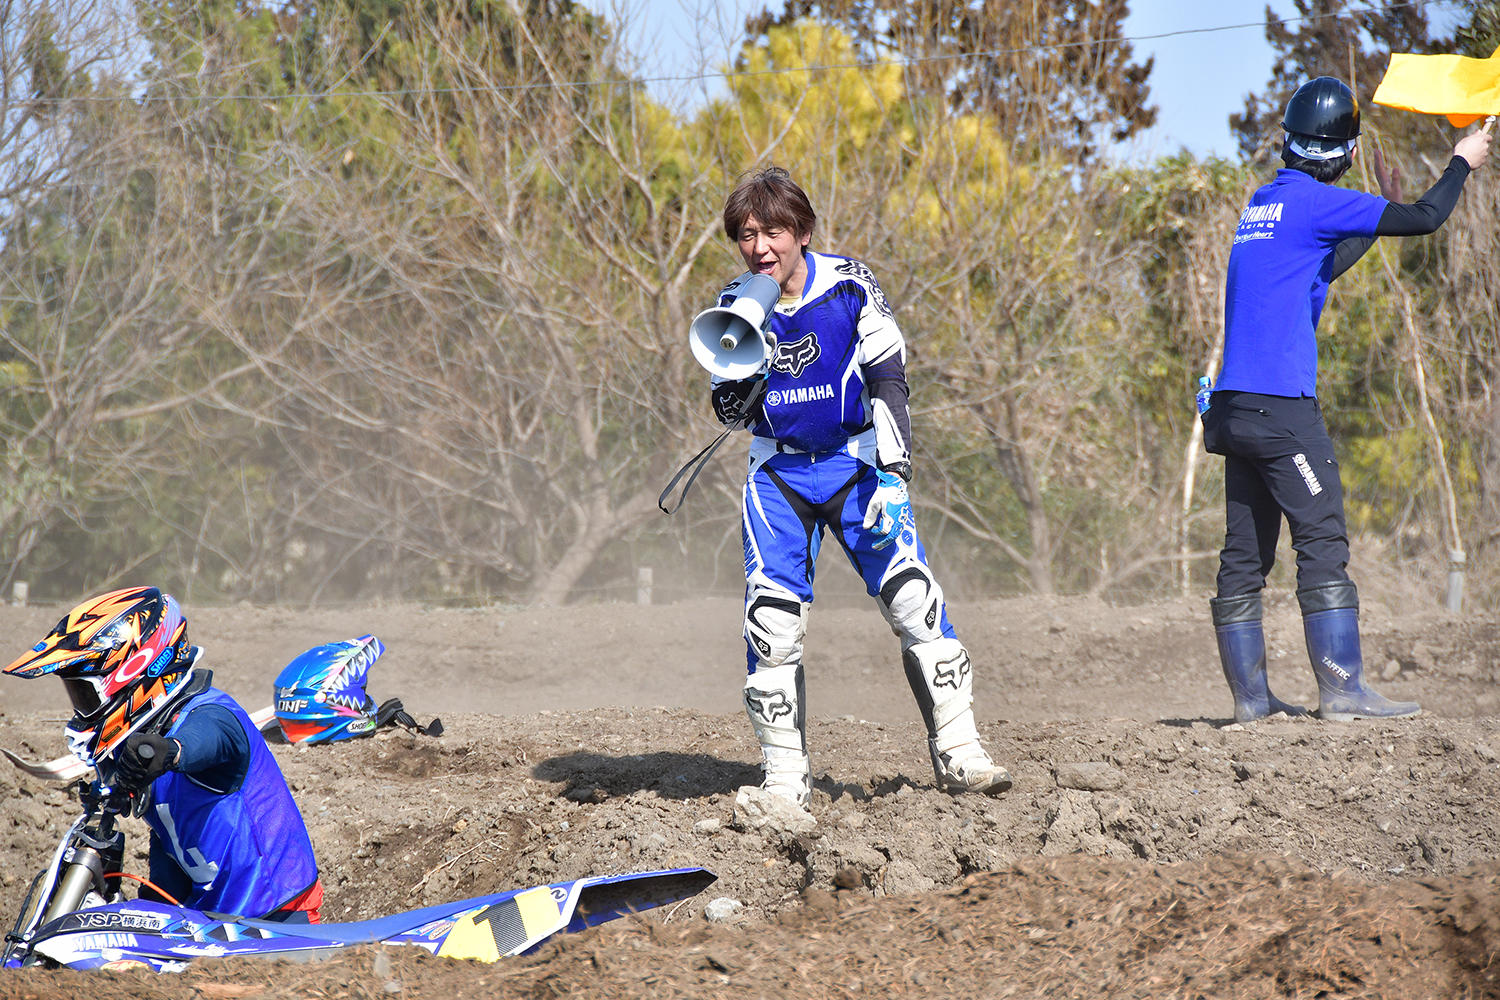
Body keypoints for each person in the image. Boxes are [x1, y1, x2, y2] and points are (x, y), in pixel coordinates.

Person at [708, 166, 1011, 809]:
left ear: (803, 231)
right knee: (770, 625)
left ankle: (960, 751)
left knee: (914, 600)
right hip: (777, 475)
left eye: (774, 232)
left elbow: (889, 379)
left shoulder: (850, 283)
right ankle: (785, 779)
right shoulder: (732, 304)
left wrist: (895, 477)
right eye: (747, 235)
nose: (760, 248)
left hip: (856, 465)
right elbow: (727, 411)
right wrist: (743, 356)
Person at [1202, 77, 1492, 723]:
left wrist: (1371, 217)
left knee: (1245, 555)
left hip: (1233, 410)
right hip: (1282, 409)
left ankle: (1252, 704)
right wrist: (1461, 162)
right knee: (1323, 539)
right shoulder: (1315, 205)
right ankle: (1342, 690)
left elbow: (1319, 266)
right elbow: (1425, 217)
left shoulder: (1264, 205)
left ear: (1288, 141)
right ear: (1347, 153)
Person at [3, 586, 323, 921]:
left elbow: (210, 739)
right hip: (213, 921)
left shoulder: (210, 713)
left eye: (86, 693)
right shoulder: (149, 737)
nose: (82, 709)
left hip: (278, 916)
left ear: (136, 671)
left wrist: (171, 751)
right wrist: (155, 907)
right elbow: (172, 835)